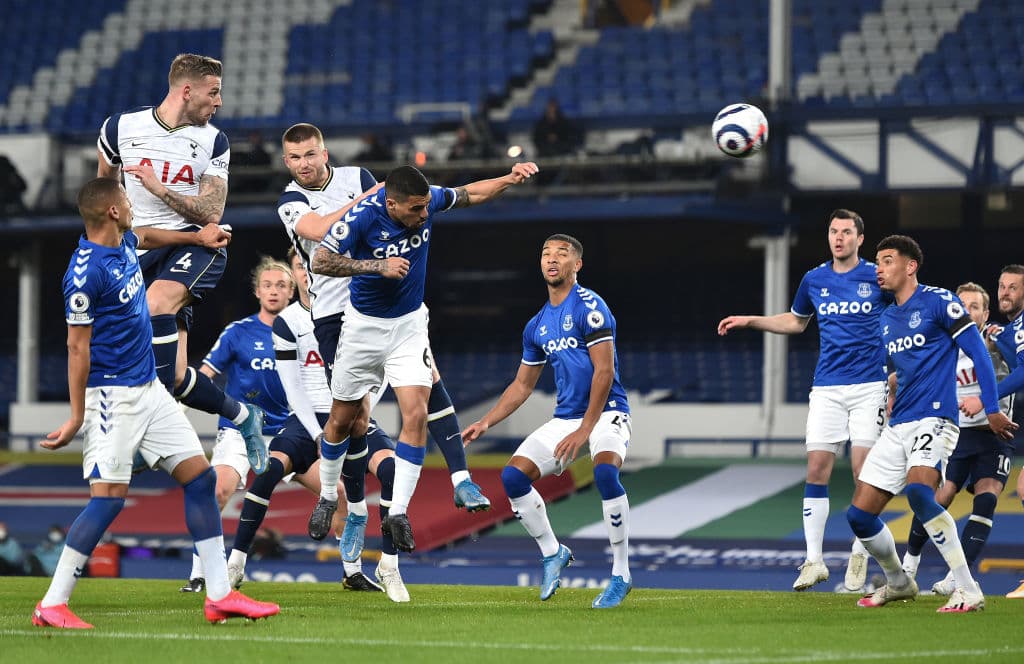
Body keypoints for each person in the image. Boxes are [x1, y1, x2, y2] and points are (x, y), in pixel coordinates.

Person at [32, 177, 277, 629]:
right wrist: (75, 416)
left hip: (150, 391)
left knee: (201, 481)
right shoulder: (85, 276)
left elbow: (144, 236)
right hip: (114, 399)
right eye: (126, 201)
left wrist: (194, 237)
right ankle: (52, 603)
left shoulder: (124, 238)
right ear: (111, 211)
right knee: (108, 500)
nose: (132, 206)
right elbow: (76, 348)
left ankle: (220, 595)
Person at [277, 124, 493, 546]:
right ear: (287, 162)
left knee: (428, 386)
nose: (304, 164)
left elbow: (401, 206)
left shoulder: (356, 176)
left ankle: (442, 487)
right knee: (352, 417)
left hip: (389, 308)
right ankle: (347, 504)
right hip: (333, 314)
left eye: (310, 154)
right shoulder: (291, 200)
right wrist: (368, 199)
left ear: (325, 153)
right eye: (295, 158)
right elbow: (320, 231)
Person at [309, 161, 539, 553]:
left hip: (409, 326)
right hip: (363, 328)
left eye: (426, 206)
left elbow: (470, 194)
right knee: (342, 420)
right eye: (415, 209)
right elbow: (321, 260)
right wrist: (375, 266)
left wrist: (507, 178)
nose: (424, 214)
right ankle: (328, 495)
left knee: (415, 412)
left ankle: (398, 511)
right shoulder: (363, 217)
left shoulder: (426, 199)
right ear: (392, 203)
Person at [95, 53, 267, 475]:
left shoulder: (214, 141)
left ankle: (143, 431)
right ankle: (246, 417)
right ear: (187, 91)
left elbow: (212, 211)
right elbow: (104, 189)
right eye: (214, 92)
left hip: (200, 243)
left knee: (156, 305)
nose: (220, 102)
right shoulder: (119, 128)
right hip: (141, 249)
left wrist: (157, 187)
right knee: (174, 376)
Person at [717, 209, 890, 592]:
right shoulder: (815, 279)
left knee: (865, 472)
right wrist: (750, 320)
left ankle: (860, 550)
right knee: (816, 470)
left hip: (869, 387)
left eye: (846, 232)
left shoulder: (876, 276)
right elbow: (796, 322)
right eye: (833, 231)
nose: (839, 237)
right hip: (827, 386)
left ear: (860, 239)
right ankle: (814, 560)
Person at [847, 235, 1016, 613]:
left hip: (936, 417)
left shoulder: (939, 301)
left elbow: (979, 356)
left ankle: (968, 588)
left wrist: (990, 407)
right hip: (900, 423)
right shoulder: (887, 317)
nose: (879, 268)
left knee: (922, 495)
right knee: (858, 516)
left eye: (887, 261)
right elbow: (898, 372)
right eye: (877, 261)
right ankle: (898, 581)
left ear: (911, 266)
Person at [462, 234, 632, 607]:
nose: (552, 259)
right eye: (546, 253)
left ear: (577, 265)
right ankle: (553, 552)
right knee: (512, 477)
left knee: (605, 474)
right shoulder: (536, 325)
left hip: (608, 412)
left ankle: (621, 573)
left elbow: (604, 372)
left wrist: (586, 430)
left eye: (562, 254)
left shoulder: (591, 307)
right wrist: (487, 421)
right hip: (567, 417)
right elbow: (522, 385)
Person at [226, 249, 402, 595]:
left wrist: (357, 411)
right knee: (267, 472)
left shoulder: (357, 314)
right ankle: (236, 563)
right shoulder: (288, 321)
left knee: (392, 470)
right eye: (299, 265)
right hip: (308, 420)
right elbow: (293, 388)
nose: (307, 271)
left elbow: (380, 374)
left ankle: (379, 567)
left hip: (355, 412)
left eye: (311, 264)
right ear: (295, 274)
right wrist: (319, 432)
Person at [178, 257, 294, 593]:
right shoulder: (238, 332)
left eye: (281, 285)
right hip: (241, 431)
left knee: (338, 493)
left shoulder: (304, 331)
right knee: (217, 492)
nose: (274, 291)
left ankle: (352, 572)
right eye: (268, 285)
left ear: (291, 292)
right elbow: (206, 375)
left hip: (287, 433)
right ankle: (200, 573)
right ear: (258, 292)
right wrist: (182, 405)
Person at [900, 282, 1013, 595]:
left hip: (994, 433)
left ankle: (956, 576)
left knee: (988, 497)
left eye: (975, 306)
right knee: (938, 497)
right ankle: (909, 564)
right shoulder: (943, 342)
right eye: (962, 306)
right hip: (955, 433)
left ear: (985, 313)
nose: (968, 311)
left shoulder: (997, 342)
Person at [963, 264, 1024, 598]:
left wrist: (987, 400)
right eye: (1002, 286)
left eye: (1013, 287)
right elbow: (1018, 365)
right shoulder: (1014, 330)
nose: (1005, 292)